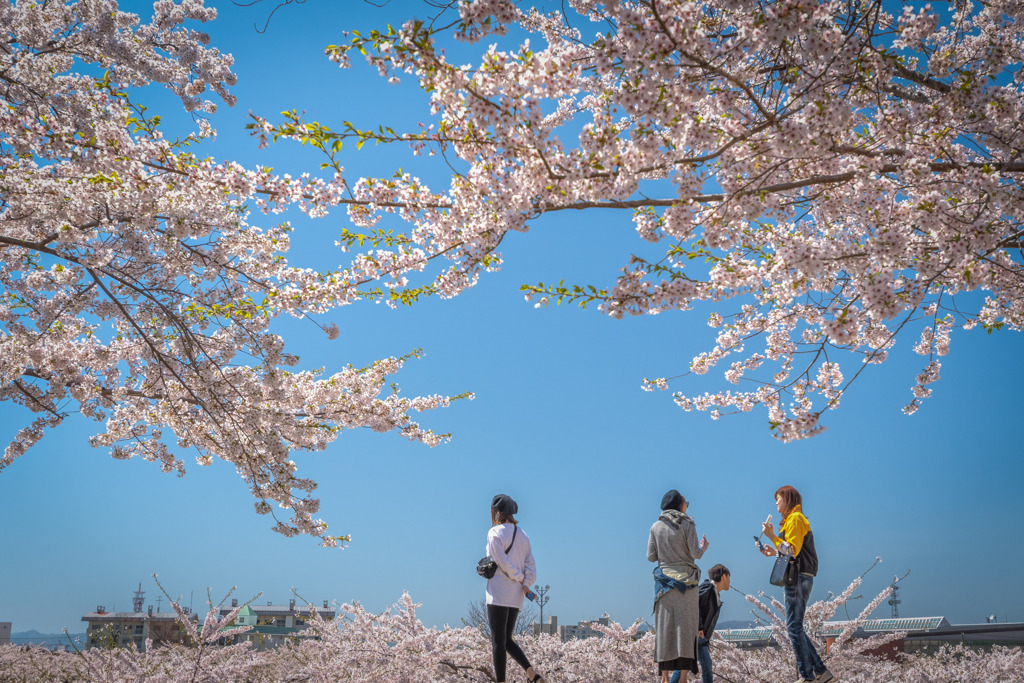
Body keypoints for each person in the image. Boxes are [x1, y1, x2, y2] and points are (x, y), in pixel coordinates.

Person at [760, 485, 833, 683]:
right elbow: (793, 551)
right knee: (795, 626)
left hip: (798, 577)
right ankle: (819, 671)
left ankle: (808, 676)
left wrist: (772, 536)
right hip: (800, 575)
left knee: (793, 627)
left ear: (789, 500)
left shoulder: (795, 519)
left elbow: (791, 550)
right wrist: (773, 551)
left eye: (779, 499)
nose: (776, 503)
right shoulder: (793, 520)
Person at [648, 489, 709, 683]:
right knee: (685, 630)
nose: (687, 506)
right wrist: (704, 547)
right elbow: (695, 553)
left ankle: (664, 677)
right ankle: (683, 678)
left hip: (664, 585)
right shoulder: (687, 523)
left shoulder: (655, 526)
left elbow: (651, 557)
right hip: (686, 584)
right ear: (680, 505)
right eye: (686, 503)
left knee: (665, 629)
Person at [485, 494, 545, 683]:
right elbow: (531, 567)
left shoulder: (494, 533)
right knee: (507, 640)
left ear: (497, 513)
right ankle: (532, 674)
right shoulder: (523, 535)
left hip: (498, 593)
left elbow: (502, 561)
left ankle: (501, 681)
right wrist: (525, 583)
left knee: (497, 641)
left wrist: (518, 577)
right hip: (516, 596)